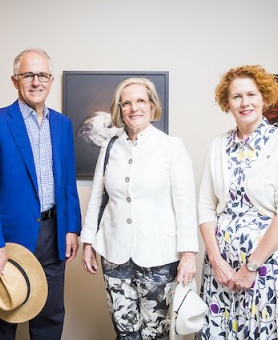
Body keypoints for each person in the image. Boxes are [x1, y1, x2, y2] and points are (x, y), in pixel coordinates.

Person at [197, 65, 278, 339]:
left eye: (251, 94)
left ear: (264, 98)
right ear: (227, 103)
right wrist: (216, 261)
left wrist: (251, 267)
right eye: (236, 96)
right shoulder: (217, 144)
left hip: (270, 266)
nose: (244, 102)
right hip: (223, 269)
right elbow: (205, 206)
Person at [0, 48, 81, 340]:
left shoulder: (62, 124)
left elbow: (68, 182)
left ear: (51, 79)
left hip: (54, 234)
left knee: (50, 318)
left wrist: (72, 228)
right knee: (2, 322)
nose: (36, 81)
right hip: (9, 240)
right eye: (28, 75)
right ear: (14, 80)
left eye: (42, 75)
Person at [81, 77, 199, 339]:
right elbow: (97, 198)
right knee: (125, 332)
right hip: (114, 254)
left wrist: (188, 254)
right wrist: (87, 241)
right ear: (119, 109)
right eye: (126, 103)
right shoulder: (111, 146)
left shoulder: (171, 146)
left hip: (160, 256)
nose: (134, 108)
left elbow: (185, 205)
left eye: (140, 101)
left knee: (155, 334)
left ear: (152, 106)